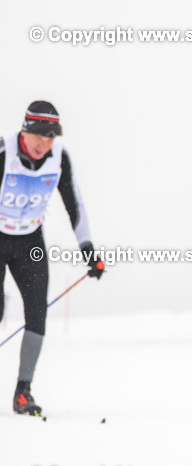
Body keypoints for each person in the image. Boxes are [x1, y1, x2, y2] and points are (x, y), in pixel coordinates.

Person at [5, 101, 103, 416]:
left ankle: (23, 392)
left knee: (37, 313)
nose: (43, 145)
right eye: (38, 137)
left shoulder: (59, 159)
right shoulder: (4, 152)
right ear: (24, 130)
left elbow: (74, 204)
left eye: (50, 139)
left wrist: (88, 249)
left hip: (29, 243)